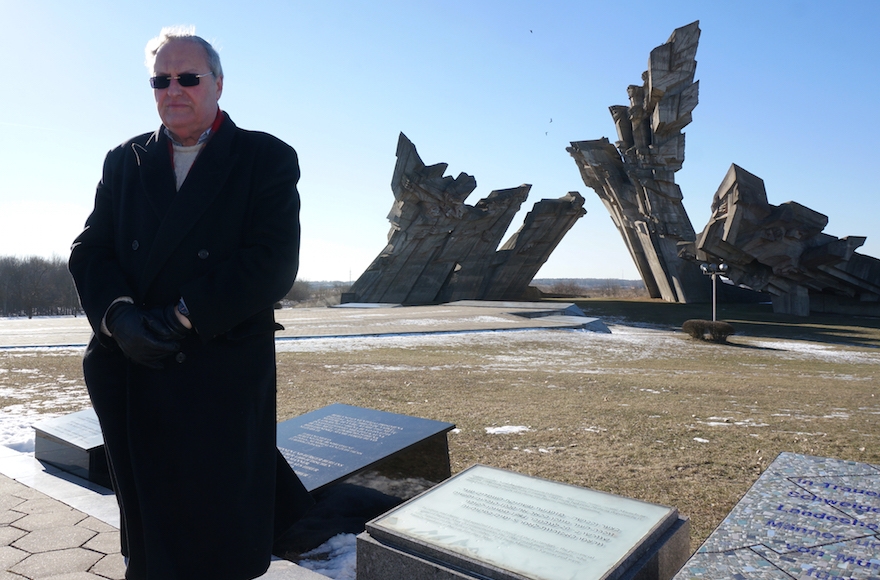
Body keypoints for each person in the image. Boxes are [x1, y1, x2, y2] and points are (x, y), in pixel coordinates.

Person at [69, 27, 313, 580]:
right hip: (134, 366)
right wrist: (118, 317)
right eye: (161, 79)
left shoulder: (265, 158)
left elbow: (272, 262)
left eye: (188, 77)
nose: (173, 89)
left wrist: (183, 316)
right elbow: (91, 250)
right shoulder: (124, 160)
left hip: (217, 370)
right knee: (151, 537)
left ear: (219, 84)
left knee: (216, 536)